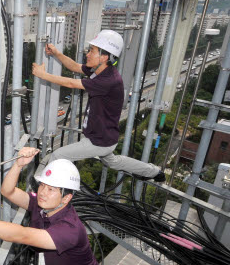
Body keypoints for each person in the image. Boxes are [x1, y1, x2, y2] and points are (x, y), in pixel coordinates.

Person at [31, 29, 164, 181]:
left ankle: (45, 187)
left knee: (57, 155)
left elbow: (71, 83)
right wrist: (56, 53)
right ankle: (153, 172)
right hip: (105, 137)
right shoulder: (100, 71)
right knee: (113, 162)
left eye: (92, 50)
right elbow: (75, 67)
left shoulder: (109, 80)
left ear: (104, 56)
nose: (87, 54)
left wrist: (43, 75)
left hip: (99, 140)